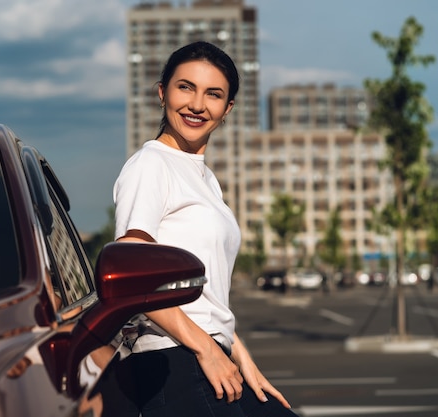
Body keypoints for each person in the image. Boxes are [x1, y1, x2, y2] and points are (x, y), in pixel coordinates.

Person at [98, 41, 298, 417]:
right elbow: (130, 277)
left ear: (227, 110)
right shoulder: (150, 165)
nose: (197, 105)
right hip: (176, 361)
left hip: (210, 355)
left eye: (213, 94)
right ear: (162, 93)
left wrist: (242, 357)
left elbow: (205, 296)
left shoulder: (205, 179)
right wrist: (206, 348)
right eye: (185, 87)